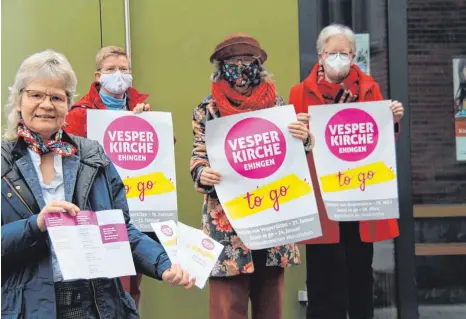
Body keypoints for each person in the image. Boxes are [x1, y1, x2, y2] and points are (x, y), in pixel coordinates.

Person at [1, 50, 194, 319]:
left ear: (68, 105)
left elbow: (122, 229)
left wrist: (163, 263)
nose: (46, 104)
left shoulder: (92, 156)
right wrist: (35, 226)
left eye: (57, 97)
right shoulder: (3, 162)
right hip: (26, 306)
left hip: (97, 304)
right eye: (36, 95)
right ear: (19, 101)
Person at [190, 33, 313, 319]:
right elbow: (198, 155)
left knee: (270, 307)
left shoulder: (278, 107)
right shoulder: (207, 110)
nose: (242, 66)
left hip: (272, 221)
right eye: (234, 61)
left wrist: (304, 139)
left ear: (259, 65)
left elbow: (293, 157)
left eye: (248, 60)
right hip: (229, 223)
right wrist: (201, 173)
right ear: (222, 67)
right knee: (227, 309)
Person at [289, 24, 404, 319]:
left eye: (345, 53)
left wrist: (390, 122)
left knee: (359, 276)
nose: (338, 58)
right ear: (320, 55)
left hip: (358, 197)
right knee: (322, 280)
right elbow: (293, 153)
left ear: (354, 56)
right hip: (321, 202)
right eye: (333, 52)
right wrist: (297, 133)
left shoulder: (369, 89)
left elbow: (379, 143)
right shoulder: (299, 93)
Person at [64, 45, 153, 307]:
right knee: (103, 282)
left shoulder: (142, 108)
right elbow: (69, 156)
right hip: (97, 205)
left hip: (136, 203)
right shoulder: (79, 113)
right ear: (98, 75)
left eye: (123, 69)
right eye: (111, 69)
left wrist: (148, 123)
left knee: (132, 281)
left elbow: (161, 152)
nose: (118, 74)